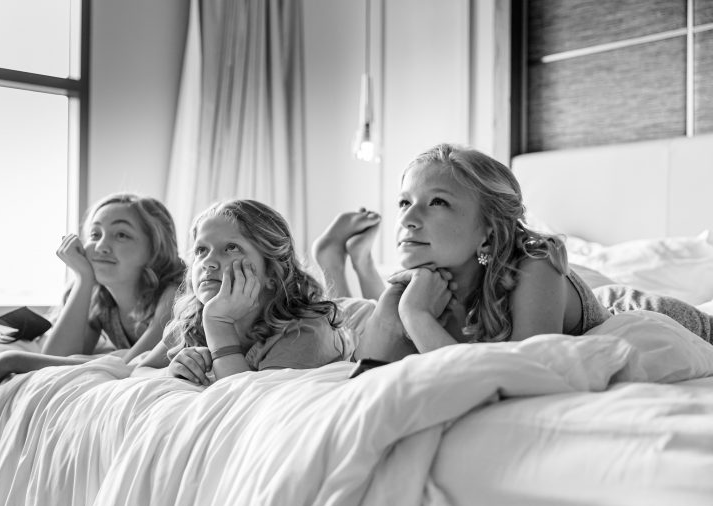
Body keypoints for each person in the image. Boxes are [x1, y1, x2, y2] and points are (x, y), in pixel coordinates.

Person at [317, 143, 614, 361]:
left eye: (437, 202)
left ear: (489, 233)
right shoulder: (414, 287)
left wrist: (417, 316)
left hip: (622, 301)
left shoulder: (536, 268)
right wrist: (395, 306)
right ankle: (353, 262)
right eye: (404, 203)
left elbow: (525, 377)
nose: (407, 219)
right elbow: (366, 378)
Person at [0, 193, 186, 424]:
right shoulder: (100, 301)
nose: (101, 245)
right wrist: (84, 279)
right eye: (95, 234)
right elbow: (57, 358)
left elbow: (129, 366)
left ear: (155, 248)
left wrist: (11, 361)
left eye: (121, 235)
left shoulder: (174, 295)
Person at [134, 199, 353, 384]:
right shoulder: (192, 322)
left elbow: (246, 403)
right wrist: (172, 370)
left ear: (272, 273)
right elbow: (139, 371)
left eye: (231, 248)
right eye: (201, 250)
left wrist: (219, 325)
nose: (208, 262)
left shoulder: (306, 332)